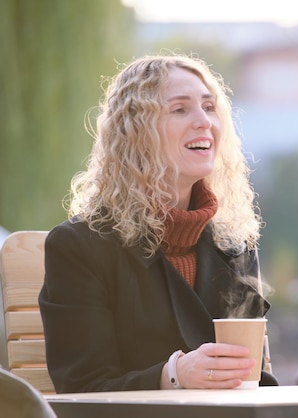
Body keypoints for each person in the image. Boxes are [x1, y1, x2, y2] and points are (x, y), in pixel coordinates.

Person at [39, 53, 278, 392]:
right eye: (180, 109)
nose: (204, 122)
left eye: (209, 108)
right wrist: (174, 375)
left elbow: (254, 378)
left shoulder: (234, 243)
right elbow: (82, 387)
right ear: (136, 133)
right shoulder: (79, 247)